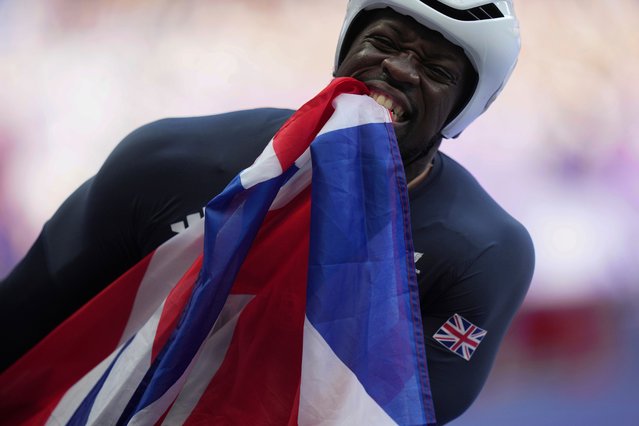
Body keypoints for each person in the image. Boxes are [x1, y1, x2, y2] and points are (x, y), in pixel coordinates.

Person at [0, 0, 534, 423]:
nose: (397, 69)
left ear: (465, 107)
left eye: (436, 69)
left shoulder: (480, 254)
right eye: (383, 42)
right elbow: (20, 323)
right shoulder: (168, 163)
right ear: (346, 48)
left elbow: (393, 415)